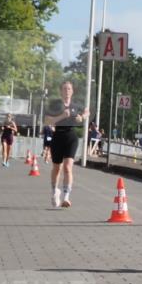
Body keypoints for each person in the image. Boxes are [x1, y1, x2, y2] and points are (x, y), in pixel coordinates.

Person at [44, 80, 87, 208]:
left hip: (71, 137)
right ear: (61, 91)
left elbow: (87, 111)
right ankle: (54, 191)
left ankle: (66, 197)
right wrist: (62, 116)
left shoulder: (76, 105)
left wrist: (82, 117)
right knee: (57, 168)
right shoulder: (56, 106)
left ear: (72, 91)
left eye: (69, 89)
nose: (67, 91)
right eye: (64, 89)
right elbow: (47, 120)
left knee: (68, 167)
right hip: (57, 137)